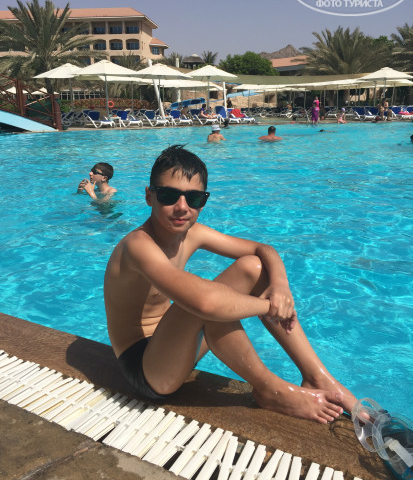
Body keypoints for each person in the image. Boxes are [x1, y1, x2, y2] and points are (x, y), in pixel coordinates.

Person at [104, 145, 356, 423]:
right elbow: (205, 303)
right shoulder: (138, 245)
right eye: (168, 195)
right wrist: (269, 306)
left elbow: (263, 249)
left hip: (177, 346)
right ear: (149, 196)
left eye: (194, 198)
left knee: (253, 267)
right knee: (205, 301)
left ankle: (317, 376)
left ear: (203, 202)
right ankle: (271, 388)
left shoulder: (192, 233)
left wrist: (280, 287)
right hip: (145, 369)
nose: (182, 207)